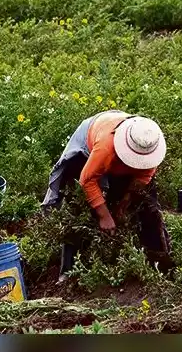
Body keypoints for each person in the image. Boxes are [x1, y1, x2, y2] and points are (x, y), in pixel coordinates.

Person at [41, 110, 172, 282]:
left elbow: (141, 181)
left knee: (148, 208)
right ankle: (68, 271)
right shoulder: (106, 147)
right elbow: (87, 180)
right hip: (89, 143)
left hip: (116, 154)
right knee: (77, 205)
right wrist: (104, 215)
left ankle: (160, 265)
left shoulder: (151, 148)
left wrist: (122, 206)